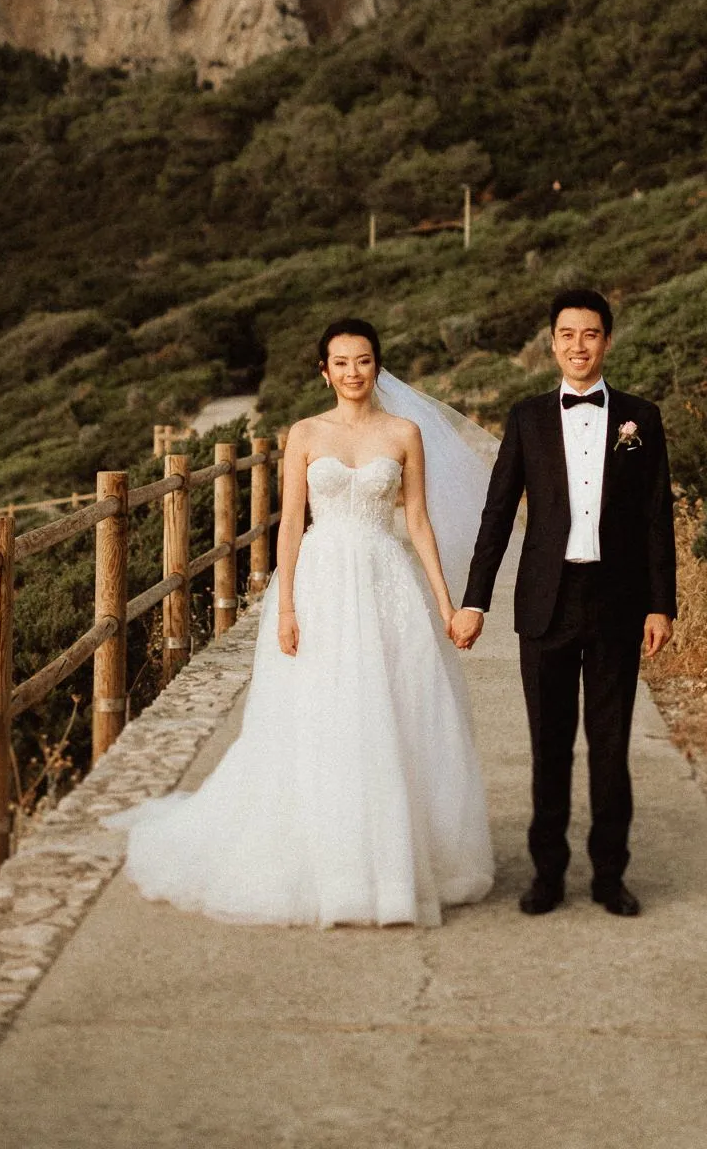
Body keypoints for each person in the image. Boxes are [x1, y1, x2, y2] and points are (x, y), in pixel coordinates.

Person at [108, 318, 494, 928]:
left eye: (363, 361)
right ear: (324, 370)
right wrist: (285, 605)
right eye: (340, 362)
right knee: (323, 714)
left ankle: (396, 865)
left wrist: (447, 606)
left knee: (397, 713)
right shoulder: (306, 433)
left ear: (377, 365)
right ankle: (329, 862)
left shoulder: (405, 432)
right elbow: (290, 524)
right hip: (322, 583)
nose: (352, 372)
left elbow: (418, 522)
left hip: (386, 582)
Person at [452, 288, 676, 918]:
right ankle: (547, 873)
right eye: (567, 335)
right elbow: (497, 513)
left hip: (617, 601)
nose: (579, 346)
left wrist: (662, 605)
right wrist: (475, 601)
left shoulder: (641, 418)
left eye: (591, 334)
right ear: (552, 343)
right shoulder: (526, 418)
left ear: (607, 341)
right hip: (544, 604)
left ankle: (610, 876)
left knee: (610, 745)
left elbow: (659, 516)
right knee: (549, 746)